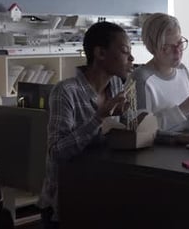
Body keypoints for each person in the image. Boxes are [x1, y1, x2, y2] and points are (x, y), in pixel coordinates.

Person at [38, 21, 135, 229]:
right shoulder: (65, 92)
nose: (131, 58)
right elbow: (57, 152)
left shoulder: (117, 85)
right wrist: (98, 118)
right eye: (125, 51)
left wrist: (171, 136)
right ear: (100, 53)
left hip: (100, 193)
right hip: (65, 202)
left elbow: (127, 133)